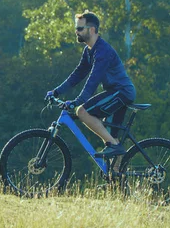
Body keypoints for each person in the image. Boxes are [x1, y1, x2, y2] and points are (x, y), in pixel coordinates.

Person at [45, 10, 136, 158]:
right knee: (112, 135)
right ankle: (117, 176)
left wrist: (78, 102)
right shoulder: (89, 51)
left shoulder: (102, 51)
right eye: (76, 28)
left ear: (92, 30)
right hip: (115, 92)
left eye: (80, 28)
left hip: (121, 92)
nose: (76, 32)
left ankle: (113, 146)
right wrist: (56, 92)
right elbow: (78, 74)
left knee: (82, 111)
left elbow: (93, 79)